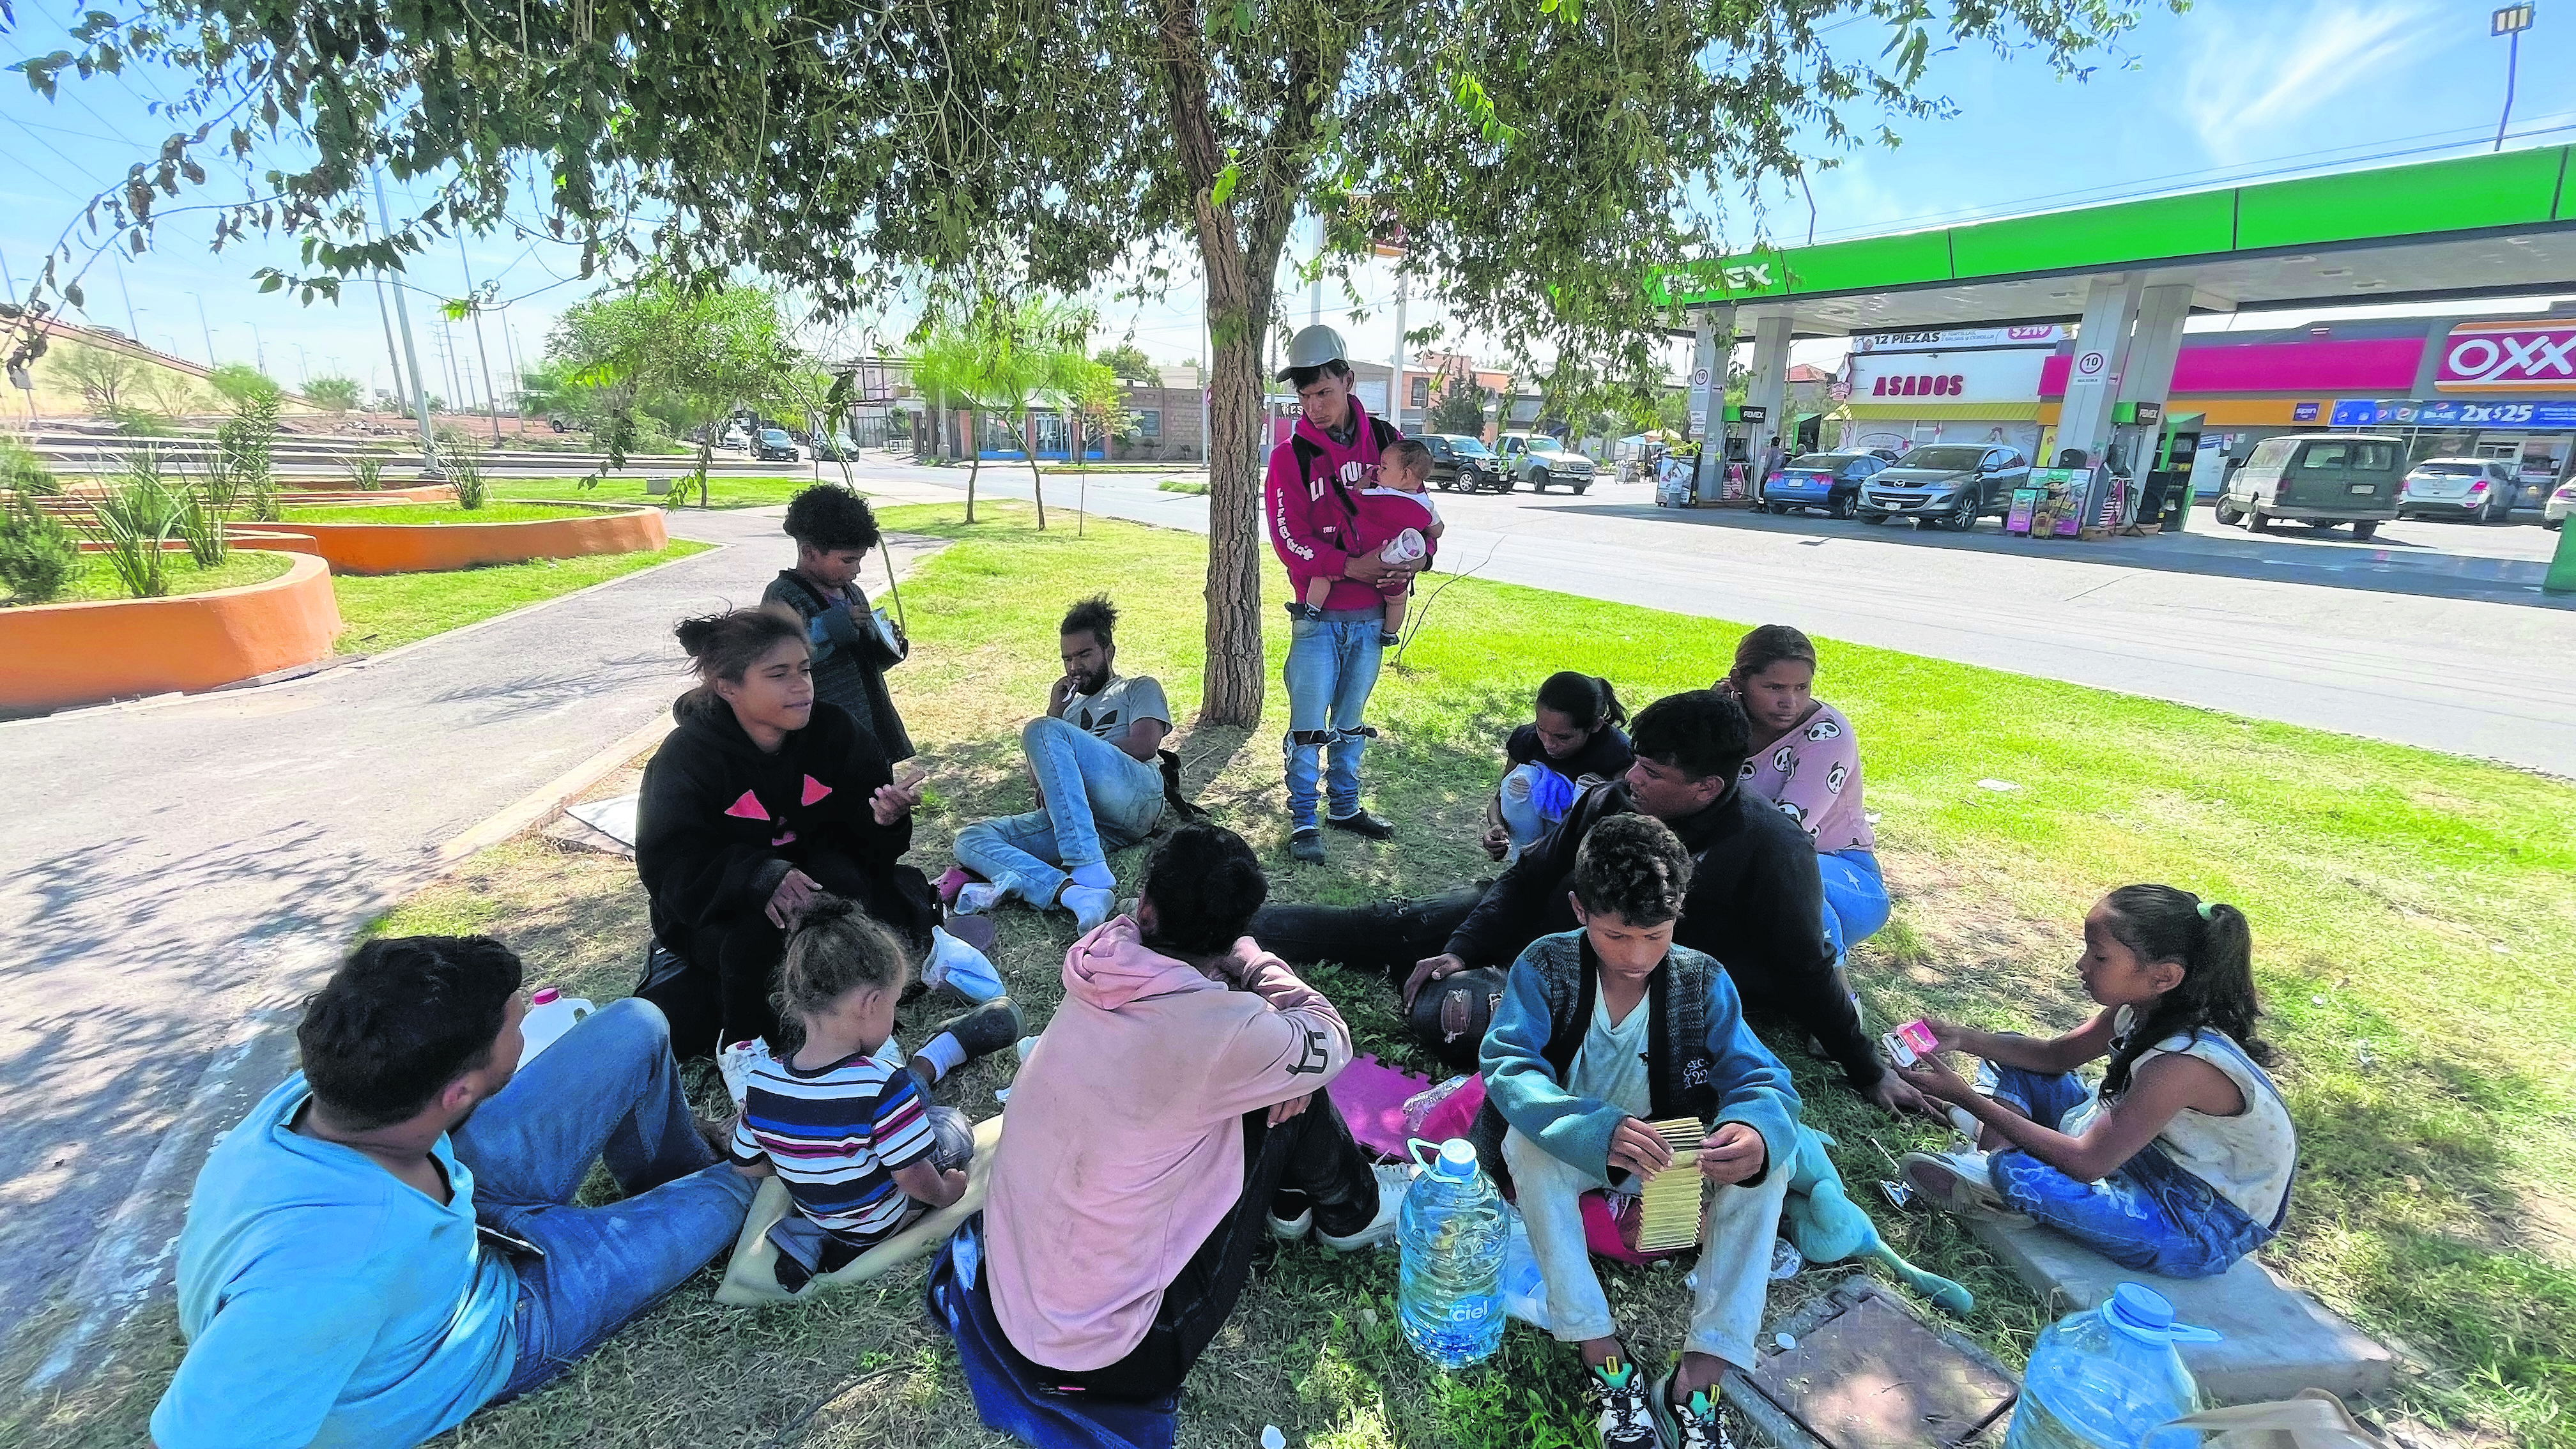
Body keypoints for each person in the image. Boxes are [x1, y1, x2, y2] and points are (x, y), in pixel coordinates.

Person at [151, 936, 755, 1448]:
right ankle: (711, 1189)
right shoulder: (327, 1273)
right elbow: (199, 1436)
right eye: (516, 1027)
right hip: (493, 1323)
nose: (524, 1031)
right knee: (751, 1180)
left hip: (455, 1212)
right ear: (459, 1093)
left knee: (635, 1025)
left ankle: (673, 1175)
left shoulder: (341, 1091)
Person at [1253, 691, 1929, 1112]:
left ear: (1706, 789)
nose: (1631, 777)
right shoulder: (1612, 797)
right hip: (1544, 931)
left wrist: (1868, 1070)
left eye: (1654, 773)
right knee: (1391, 927)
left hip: (1626, 980)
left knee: (1475, 1035)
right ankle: (1225, 931)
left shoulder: (1769, 846)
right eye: (1637, 760)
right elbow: (1525, 880)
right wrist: (1461, 947)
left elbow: (1807, 967)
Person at [981, 820, 1406, 1400]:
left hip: (1009, 1299)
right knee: (1296, 1079)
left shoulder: (1101, 958)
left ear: (1145, 906)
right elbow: (1330, 1039)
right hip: (1115, 1353)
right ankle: (1354, 1212)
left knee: (1278, 1076)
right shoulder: (1225, 1032)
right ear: (1234, 934)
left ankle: (1290, 1199)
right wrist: (1255, 965)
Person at [1480, 815, 1800, 1449]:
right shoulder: (1544, 965)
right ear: (1579, 910)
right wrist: (1594, 1129)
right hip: (1574, 1146)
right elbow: (1508, 1068)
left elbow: (1764, 1079)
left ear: (1679, 917)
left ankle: (1700, 1375)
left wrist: (1754, 1131)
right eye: (1615, 935)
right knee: (1523, 1144)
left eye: (1654, 936)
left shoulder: (1703, 980)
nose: (1634, 957)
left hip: (1666, 1163)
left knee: (1774, 1165)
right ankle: (1600, 1352)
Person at [635, 606, 1000, 1068]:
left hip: (826, 885)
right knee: (749, 948)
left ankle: (882, 1003)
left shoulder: (835, 733)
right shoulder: (685, 759)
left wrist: (883, 819)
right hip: (723, 909)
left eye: (805, 670)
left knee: (857, 895)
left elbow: (863, 848)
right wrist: (758, 877)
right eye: (778, 674)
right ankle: (745, 1046)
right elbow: (670, 868)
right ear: (729, 686)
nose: (801, 685)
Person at [1892, 885, 2295, 1279]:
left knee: (2019, 1174)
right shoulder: (2139, 1011)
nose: (2081, 965)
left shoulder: (2182, 1063)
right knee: (2010, 1055)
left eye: (2099, 956)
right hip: (2140, 1158)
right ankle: (1988, 1168)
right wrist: (1963, 1039)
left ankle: (1996, 1167)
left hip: (2196, 1224)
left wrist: (1964, 1096)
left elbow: (2087, 1162)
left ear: (2164, 977)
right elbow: (2054, 1057)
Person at [729, 899, 1020, 1291]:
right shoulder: (882, 1084)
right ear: (872, 1004)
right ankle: (940, 1055)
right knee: (949, 1125)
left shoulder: (762, 1083)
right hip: (881, 1219)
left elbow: (746, 1165)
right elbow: (912, 1176)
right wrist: (945, 1194)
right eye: (894, 1005)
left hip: (819, 1214)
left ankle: (812, 1239)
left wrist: (803, 1158)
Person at [1264, 323, 1422, 863]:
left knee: (1351, 720)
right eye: (1304, 396)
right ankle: (1305, 819)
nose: (1313, 406)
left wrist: (1418, 555)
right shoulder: (1290, 458)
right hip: (1318, 618)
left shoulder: (1385, 442)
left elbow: (1416, 509)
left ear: (1348, 381)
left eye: (1324, 392)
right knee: (1309, 727)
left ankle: (1345, 806)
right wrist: (1352, 565)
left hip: (1373, 617)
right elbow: (1289, 539)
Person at [952, 595, 1173, 934]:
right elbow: (1040, 783)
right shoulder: (1064, 714)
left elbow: (1144, 746)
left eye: (1084, 655)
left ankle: (1086, 867)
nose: (1075, 667)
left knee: (1040, 729)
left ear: (1109, 652)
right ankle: (1073, 894)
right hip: (1086, 823)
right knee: (970, 839)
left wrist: (1065, 751)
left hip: (1135, 794)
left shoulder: (1138, 687)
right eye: (1067, 659)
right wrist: (1055, 708)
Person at [1713, 625, 1887, 975]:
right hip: (1743, 860)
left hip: (1839, 869)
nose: (1788, 701)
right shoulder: (1718, 717)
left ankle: (1835, 991)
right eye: (1774, 687)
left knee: (1779, 874)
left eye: (1801, 688)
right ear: (1739, 681)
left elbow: (1785, 837)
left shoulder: (1827, 735)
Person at [763, 484, 913, 763]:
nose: (856, 570)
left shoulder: (851, 592)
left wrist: (886, 644)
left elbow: (864, 659)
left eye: (859, 560)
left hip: (869, 724)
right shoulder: (783, 597)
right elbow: (781, 663)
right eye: (847, 560)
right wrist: (834, 625)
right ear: (809, 552)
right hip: (822, 736)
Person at [1298, 436, 1443, 648]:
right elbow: (1438, 531)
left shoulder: (1376, 493)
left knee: (1325, 574)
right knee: (1397, 600)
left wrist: (1366, 478)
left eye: (1383, 468)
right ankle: (1390, 633)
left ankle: (1312, 609)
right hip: (1393, 565)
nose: (1379, 472)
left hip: (1358, 553)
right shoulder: (1427, 506)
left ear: (1405, 475)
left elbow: (1355, 494)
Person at [1483, 671, 1634, 862]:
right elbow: (1498, 800)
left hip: (1581, 851)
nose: (1548, 743)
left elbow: (1625, 818)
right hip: (1528, 839)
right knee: (1519, 781)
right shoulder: (1527, 739)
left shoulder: (1616, 752)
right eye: (1541, 729)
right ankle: (1525, 862)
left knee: (1593, 792)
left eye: (1562, 737)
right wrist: (1497, 827)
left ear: (1596, 725)